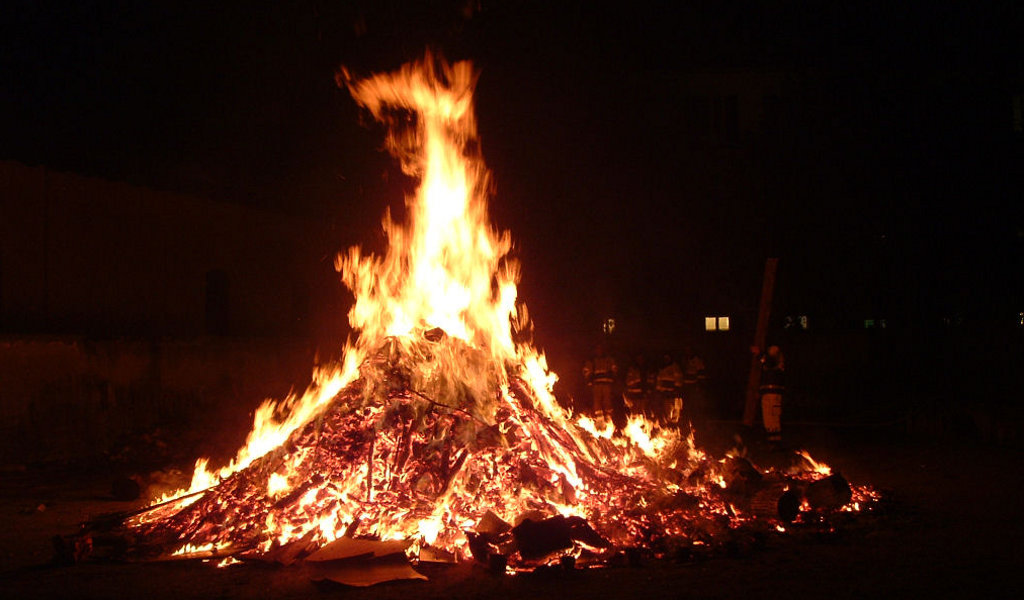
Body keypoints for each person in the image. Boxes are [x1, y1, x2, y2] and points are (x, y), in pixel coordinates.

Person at [582, 344, 617, 425]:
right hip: (596, 385)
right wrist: (588, 381)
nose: (599, 351)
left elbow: (614, 370)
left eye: (601, 349)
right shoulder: (592, 361)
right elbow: (586, 371)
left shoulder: (609, 360)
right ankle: (600, 421)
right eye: (597, 349)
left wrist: (613, 379)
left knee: (607, 402)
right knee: (597, 402)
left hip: (607, 384)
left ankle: (609, 420)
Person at [758, 345, 785, 448]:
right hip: (767, 393)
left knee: (773, 418)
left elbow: (767, 362)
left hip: (774, 394)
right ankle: (771, 441)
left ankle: (776, 443)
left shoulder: (776, 363)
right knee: (768, 418)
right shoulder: (771, 364)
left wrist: (759, 354)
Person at [654, 353, 683, 426]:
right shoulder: (662, 368)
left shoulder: (675, 367)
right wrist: (659, 390)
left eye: (668, 358)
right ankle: (667, 429)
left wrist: (676, 391)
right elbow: (659, 380)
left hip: (673, 395)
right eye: (665, 358)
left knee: (675, 413)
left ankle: (674, 428)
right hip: (665, 394)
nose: (666, 360)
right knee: (667, 413)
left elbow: (678, 380)